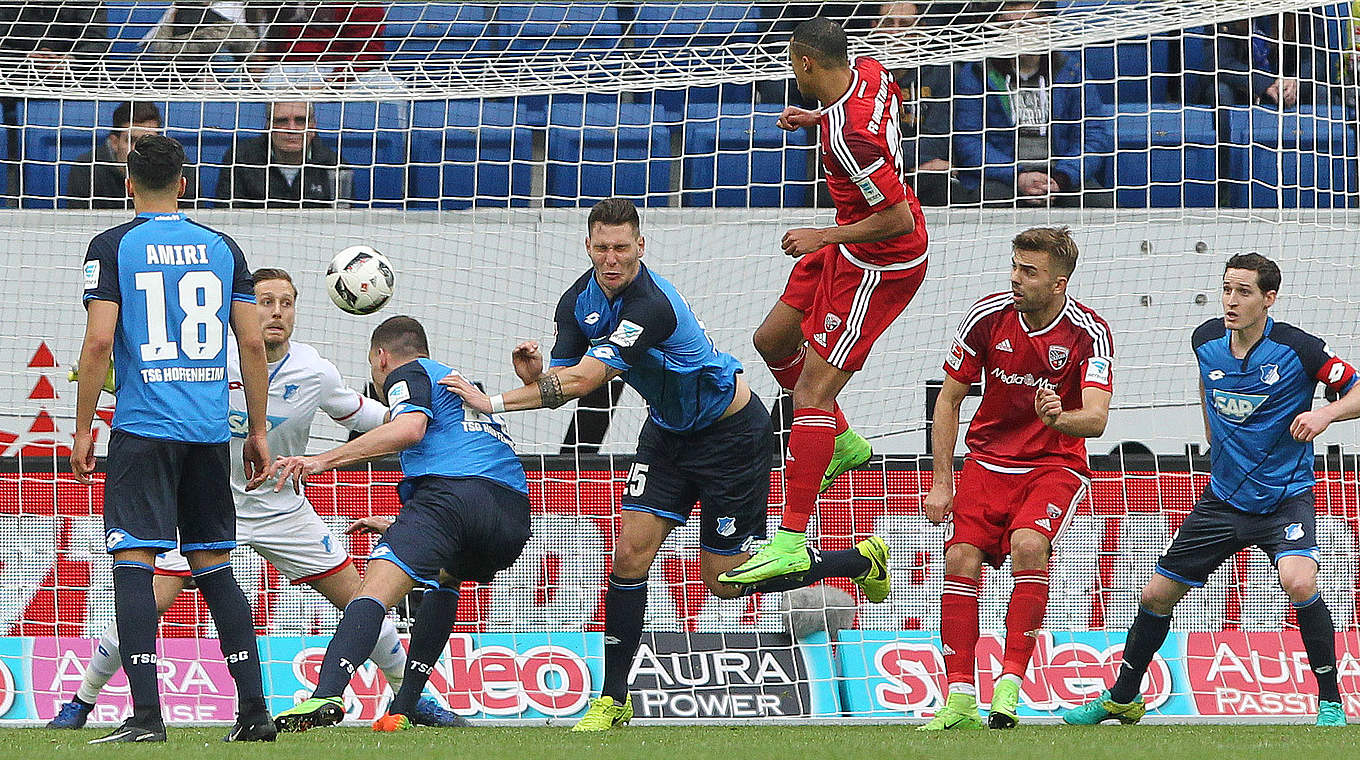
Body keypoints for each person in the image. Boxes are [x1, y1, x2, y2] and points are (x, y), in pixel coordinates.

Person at [442, 197, 890, 732]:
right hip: (667, 436)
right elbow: (560, 385)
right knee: (628, 557)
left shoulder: (650, 304)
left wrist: (492, 400)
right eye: (603, 248)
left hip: (730, 436)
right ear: (588, 247)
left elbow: (586, 382)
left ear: (641, 248)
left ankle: (855, 562)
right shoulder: (576, 302)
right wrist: (533, 372)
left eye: (623, 249)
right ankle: (614, 700)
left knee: (722, 583)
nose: (613, 259)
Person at [49, 268, 466, 730]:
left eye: (286, 303)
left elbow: (373, 417)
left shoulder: (315, 370)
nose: (276, 313)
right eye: (265, 302)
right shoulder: (213, 362)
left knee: (364, 599)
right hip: (207, 508)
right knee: (144, 604)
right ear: (244, 309)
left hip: (282, 509)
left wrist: (430, 417)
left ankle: (409, 699)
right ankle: (81, 703)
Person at [1065, 253, 1360, 728]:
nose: (1230, 301)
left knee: (1300, 582)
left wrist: (1325, 414)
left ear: (1269, 299)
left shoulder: (1299, 349)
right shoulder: (1206, 341)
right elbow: (1207, 385)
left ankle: (1329, 702)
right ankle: (1122, 697)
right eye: (1226, 289)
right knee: (1155, 596)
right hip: (1222, 498)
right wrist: (1211, 434)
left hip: (1284, 499)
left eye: (1243, 292)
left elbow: (1357, 389)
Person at [72, 134, 273, 743]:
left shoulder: (112, 245)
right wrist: (259, 429)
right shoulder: (223, 247)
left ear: (128, 184)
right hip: (209, 431)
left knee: (134, 561)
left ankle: (147, 718)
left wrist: (83, 427)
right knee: (213, 564)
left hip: (143, 429)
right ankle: (255, 714)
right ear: (184, 184)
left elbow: (101, 341)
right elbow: (254, 342)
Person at [718, 17, 929, 587]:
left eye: (791, 64)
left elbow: (899, 216)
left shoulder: (848, 137)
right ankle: (841, 439)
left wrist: (823, 236)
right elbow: (883, 114)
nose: (790, 73)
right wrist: (819, 117)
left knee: (811, 391)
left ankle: (790, 540)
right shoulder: (867, 71)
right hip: (850, 235)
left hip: (877, 262)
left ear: (807, 63)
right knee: (773, 341)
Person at [271, 315, 528, 733]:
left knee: (374, 587)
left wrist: (321, 461)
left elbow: (409, 429)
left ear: (381, 356)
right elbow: (473, 480)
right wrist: (401, 523)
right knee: (446, 578)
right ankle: (405, 707)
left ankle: (327, 693)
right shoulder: (460, 387)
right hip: (513, 515)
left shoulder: (408, 372)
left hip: (450, 498)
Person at [920, 226, 1114, 730]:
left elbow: (1094, 420)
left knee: (1029, 545)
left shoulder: (1090, 332)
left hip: (1054, 465)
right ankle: (960, 695)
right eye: (1015, 267)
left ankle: (1008, 687)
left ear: (1059, 283)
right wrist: (942, 480)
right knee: (960, 557)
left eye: (1029, 272)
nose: (1016, 279)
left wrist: (1058, 419)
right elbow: (948, 400)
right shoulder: (987, 318)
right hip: (986, 463)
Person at [951, 1, 1113, 208]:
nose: (1018, 35)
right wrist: (1018, 176)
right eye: (1008, 27)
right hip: (1004, 178)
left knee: (1098, 202)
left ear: (1046, 26)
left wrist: (1062, 177)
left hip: (1060, 175)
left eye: (1027, 25)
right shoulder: (977, 74)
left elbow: (1093, 136)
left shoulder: (1072, 71)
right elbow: (969, 141)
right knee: (986, 200)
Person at [876, 2, 955, 207]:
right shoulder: (858, 76)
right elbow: (859, 144)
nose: (895, 32)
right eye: (887, 23)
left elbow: (939, 140)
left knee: (942, 181)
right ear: (874, 26)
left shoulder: (940, 73)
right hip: (875, 172)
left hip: (922, 172)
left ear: (921, 30)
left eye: (904, 24)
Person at [67, 102, 201, 210]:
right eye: (132, 140)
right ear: (114, 142)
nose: (141, 148)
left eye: (149, 140)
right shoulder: (86, 168)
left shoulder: (179, 167)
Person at [213, 101, 349, 208]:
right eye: (282, 121)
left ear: (313, 127)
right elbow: (226, 215)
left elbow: (344, 221)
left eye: (300, 121)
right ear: (268, 127)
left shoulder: (335, 165)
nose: (292, 129)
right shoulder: (240, 159)